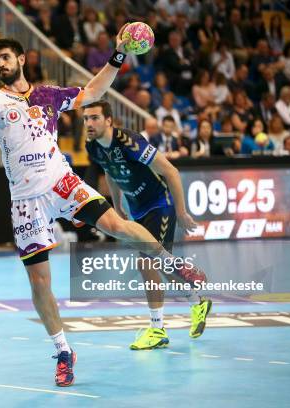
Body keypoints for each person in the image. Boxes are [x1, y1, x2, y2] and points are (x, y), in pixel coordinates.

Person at [0, 35, 207, 387]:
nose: (0, 64)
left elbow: (92, 92)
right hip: (26, 201)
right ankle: (64, 353)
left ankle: (175, 266)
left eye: (6, 57)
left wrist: (118, 55)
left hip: (60, 181)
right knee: (39, 283)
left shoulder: (48, 96)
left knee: (118, 224)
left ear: (22, 59)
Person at [83, 100, 211, 347]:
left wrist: (182, 212)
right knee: (161, 266)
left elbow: (171, 171)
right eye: (86, 119)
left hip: (159, 204)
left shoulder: (130, 142)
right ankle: (197, 302)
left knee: (146, 262)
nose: (89, 123)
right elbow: (110, 171)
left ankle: (157, 330)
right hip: (138, 211)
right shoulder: (93, 147)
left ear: (109, 120)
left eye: (95, 118)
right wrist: (118, 205)